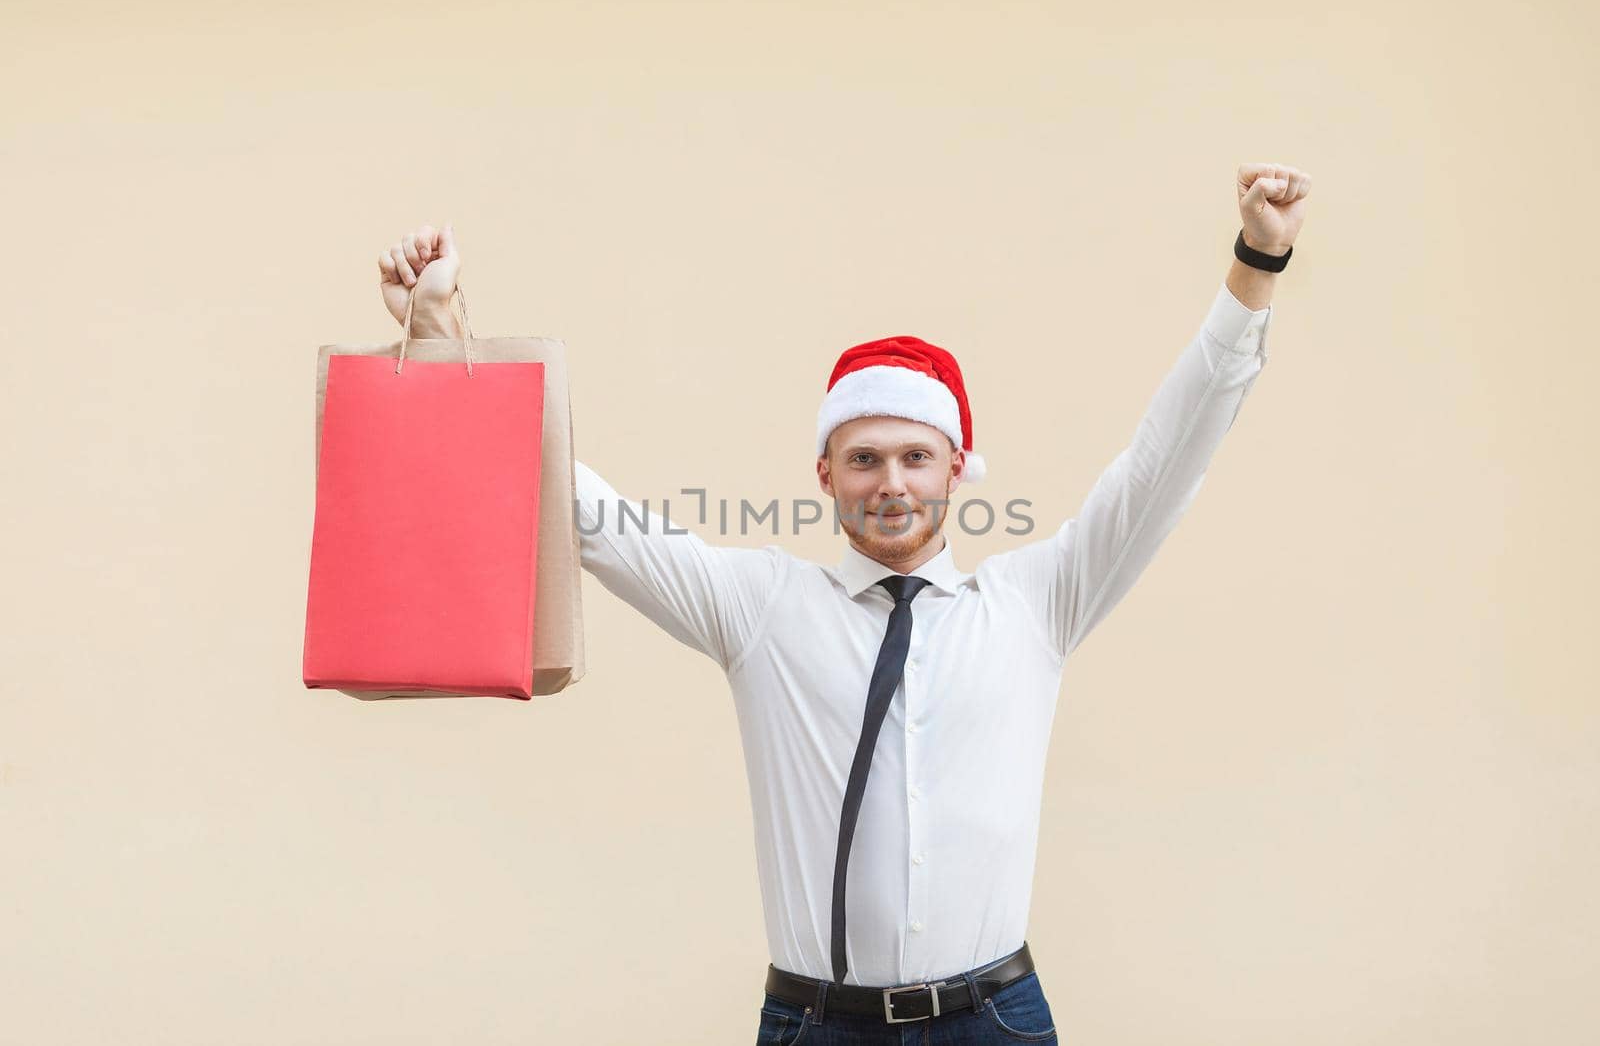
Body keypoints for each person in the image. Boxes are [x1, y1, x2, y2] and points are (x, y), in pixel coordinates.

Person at [374, 162, 1311, 1044]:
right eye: (864, 458)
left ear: (956, 468)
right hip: (816, 1022)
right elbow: (590, 517)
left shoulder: (1037, 602)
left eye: (915, 456)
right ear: (826, 474)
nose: (891, 482)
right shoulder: (761, 609)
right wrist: (445, 333)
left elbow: (1164, 461)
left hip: (994, 1018)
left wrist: (1255, 263)